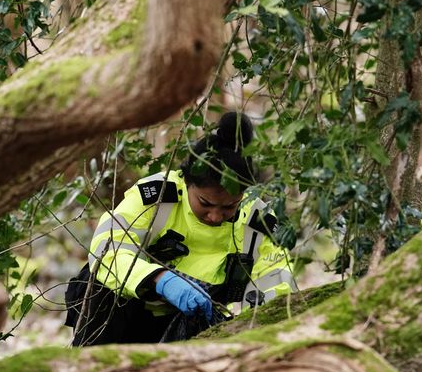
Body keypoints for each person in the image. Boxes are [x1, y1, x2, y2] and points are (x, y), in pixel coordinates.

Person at [65, 112, 297, 346]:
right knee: (99, 287)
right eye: (205, 203)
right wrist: (159, 278)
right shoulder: (157, 198)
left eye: (229, 207)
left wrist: (252, 329)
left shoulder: (256, 222)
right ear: (186, 182)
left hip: (193, 326)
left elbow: (276, 283)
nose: (215, 216)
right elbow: (107, 249)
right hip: (125, 314)